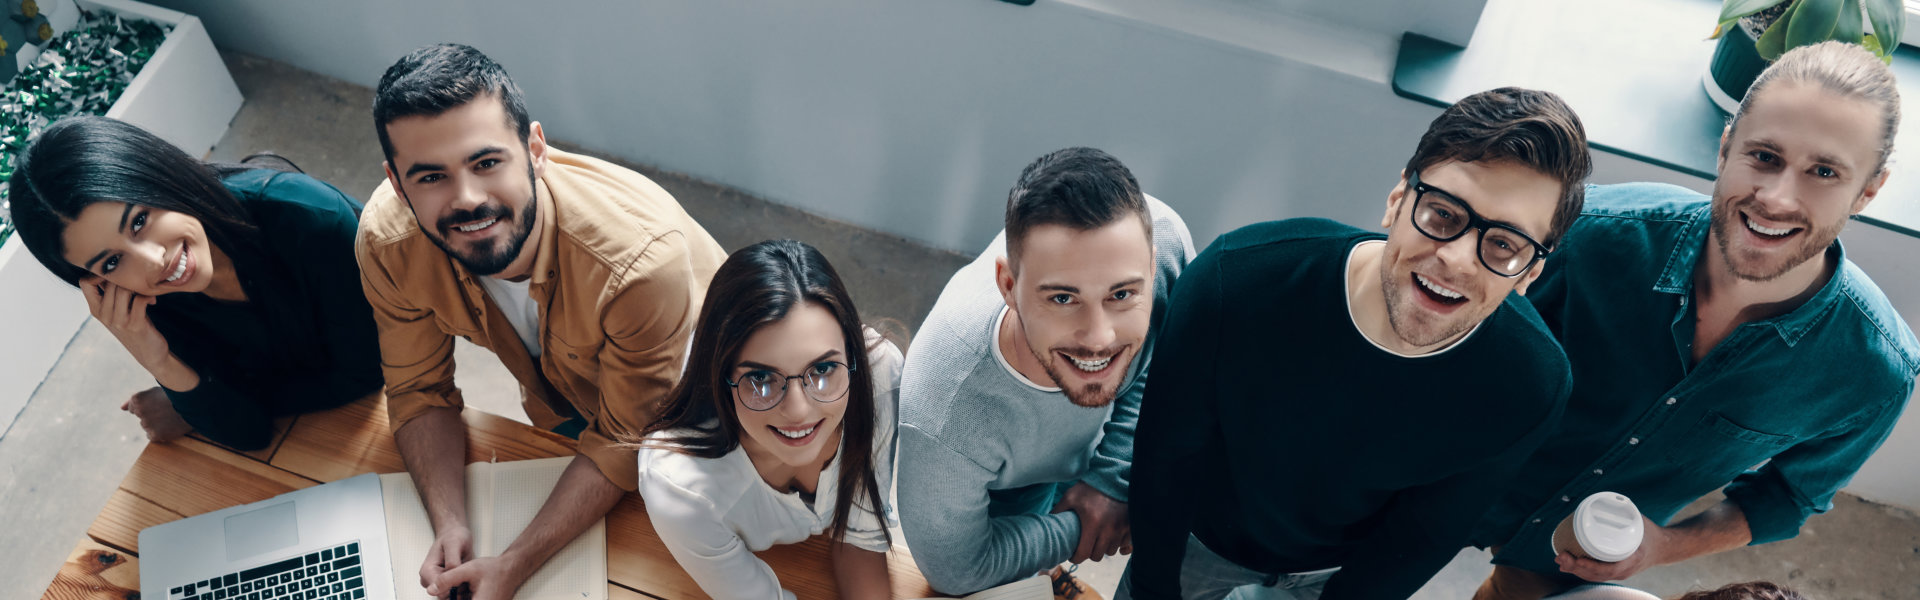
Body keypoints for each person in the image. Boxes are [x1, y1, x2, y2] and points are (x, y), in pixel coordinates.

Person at [1469, 41, 1918, 600]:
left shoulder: (1874, 372)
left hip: (1567, 557)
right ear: (1727, 147)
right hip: (1447, 477)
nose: (1777, 198)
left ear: (1868, 190)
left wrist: (1663, 547)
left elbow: (1786, 497)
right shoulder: (1590, 232)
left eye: (1823, 171)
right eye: (1765, 157)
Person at [1122, 87, 1591, 600]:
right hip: (1199, 544)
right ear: (1397, 201)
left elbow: (1425, 536)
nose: (1457, 259)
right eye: (1443, 214)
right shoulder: (1236, 282)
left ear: (1530, 273)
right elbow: (1165, 458)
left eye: (1503, 244)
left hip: (1343, 574)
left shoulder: (1531, 384)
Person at [357, 44, 725, 597]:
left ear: (534, 148)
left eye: (486, 163)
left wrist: (513, 564)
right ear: (396, 181)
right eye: (430, 177)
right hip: (568, 401)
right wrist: (450, 522)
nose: (468, 200)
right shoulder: (388, 244)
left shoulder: (639, 263)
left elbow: (626, 439)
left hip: (703, 408)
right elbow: (417, 390)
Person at [896, 147, 1196, 595]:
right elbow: (958, 568)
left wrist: (1112, 477)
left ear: (1151, 268)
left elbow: (1167, 367)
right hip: (1009, 480)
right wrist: (1084, 525)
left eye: (1121, 295)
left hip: (1087, 440)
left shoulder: (1165, 241)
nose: (1098, 337)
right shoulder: (946, 416)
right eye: (1062, 298)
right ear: (1008, 287)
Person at [7, 115, 381, 450]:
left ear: (160, 178)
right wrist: (159, 359)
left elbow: (367, 372)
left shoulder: (311, 219)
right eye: (113, 261)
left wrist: (193, 406)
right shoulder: (146, 299)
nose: (155, 262)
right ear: (96, 281)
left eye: (139, 221)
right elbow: (249, 435)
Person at [632, 239, 902, 600]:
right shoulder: (680, 488)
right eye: (761, 379)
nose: (798, 411)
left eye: (822, 369)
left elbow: (859, 536)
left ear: (852, 356)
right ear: (720, 378)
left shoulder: (879, 376)